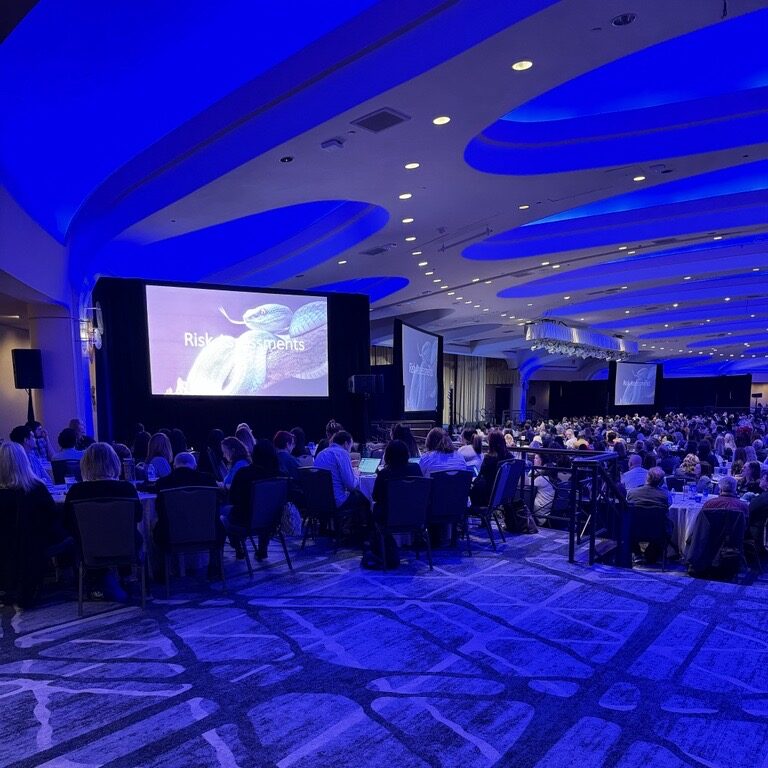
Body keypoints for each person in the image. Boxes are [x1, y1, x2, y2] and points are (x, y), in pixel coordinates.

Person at [65, 442, 141, 601]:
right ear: (114, 462)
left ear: (85, 464)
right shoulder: (127, 489)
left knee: (82, 537)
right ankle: (127, 577)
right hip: (125, 546)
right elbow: (138, 517)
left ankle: (96, 580)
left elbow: (68, 523)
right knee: (127, 532)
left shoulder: (76, 492)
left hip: (90, 550)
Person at [0, 442, 71, 607]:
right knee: (68, 531)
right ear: (24, 461)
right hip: (34, 548)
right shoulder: (36, 489)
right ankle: (70, 577)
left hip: (5, 550)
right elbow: (52, 516)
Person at [154, 452, 222, 573]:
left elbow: (158, 510)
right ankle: (215, 569)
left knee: (157, 528)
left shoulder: (162, 483)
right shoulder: (208, 480)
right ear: (195, 466)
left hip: (171, 534)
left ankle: (162, 573)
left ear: (174, 466)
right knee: (219, 524)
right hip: (207, 532)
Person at [225, 439, 289, 560]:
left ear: (254, 454)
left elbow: (233, 498)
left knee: (223, 512)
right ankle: (262, 548)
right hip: (273, 521)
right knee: (266, 510)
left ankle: (238, 547)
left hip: (246, 521)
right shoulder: (282, 476)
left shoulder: (244, 473)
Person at [313, 430, 370, 533]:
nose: (349, 450)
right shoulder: (342, 454)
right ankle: (361, 535)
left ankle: (344, 529)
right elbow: (351, 485)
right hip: (337, 502)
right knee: (364, 498)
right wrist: (356, 474)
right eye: (350, 446)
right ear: (346, 443)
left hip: (319, 501)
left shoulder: (321, 453)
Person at [626, 467, 672, 563]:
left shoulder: (631, 493)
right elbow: (669, 506)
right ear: (661, 482)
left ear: (647, 477)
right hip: (657, 532)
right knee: (670, 524)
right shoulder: (666, 495)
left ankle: (637, 553)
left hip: (635, 531)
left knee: (628, 523)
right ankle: (653, 553)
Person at [371, 439, 423, 518]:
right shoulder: (416, 468)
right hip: (414, 515)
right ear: (406, 453)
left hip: (390, 517)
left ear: (387, 455)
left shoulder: (384, 473)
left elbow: (376, 497)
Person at [470, 430, 508, 505]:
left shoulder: (489, 458)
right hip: (503, 492)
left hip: (487, 493)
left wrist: (472, 482)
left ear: (491, 443)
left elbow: (481, 475)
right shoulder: (509, 457)